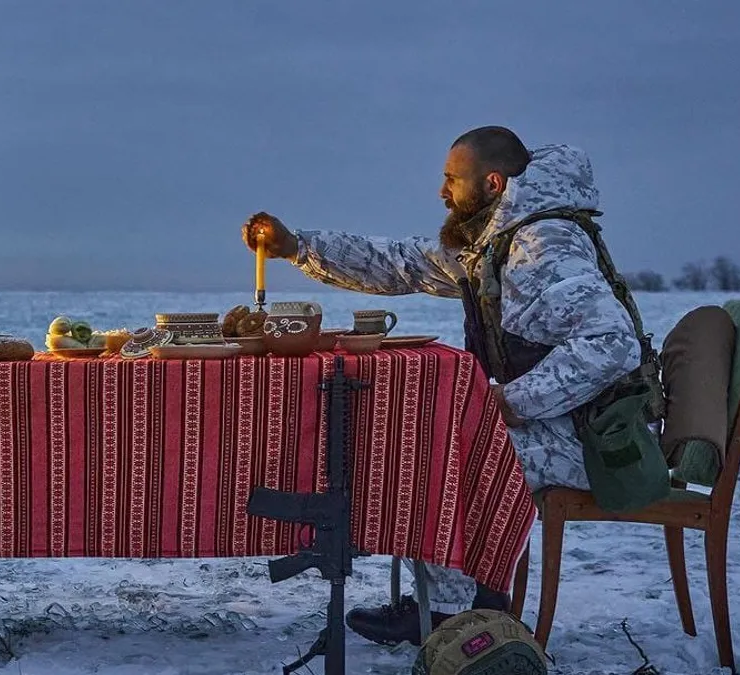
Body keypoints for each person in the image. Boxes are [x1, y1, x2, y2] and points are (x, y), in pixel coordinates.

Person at [242, 126, 647, 646]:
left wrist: (513, 403)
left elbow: (612, 343)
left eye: (452, 180)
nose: (442, 192)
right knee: (437, 441)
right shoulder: (498, 241)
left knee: (441, 454)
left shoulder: (544, 246)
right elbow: (403, 262)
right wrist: (298, 247)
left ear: (494, 183)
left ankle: (453, 612)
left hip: (598, 444)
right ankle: (463, 605)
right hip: (570, 427)